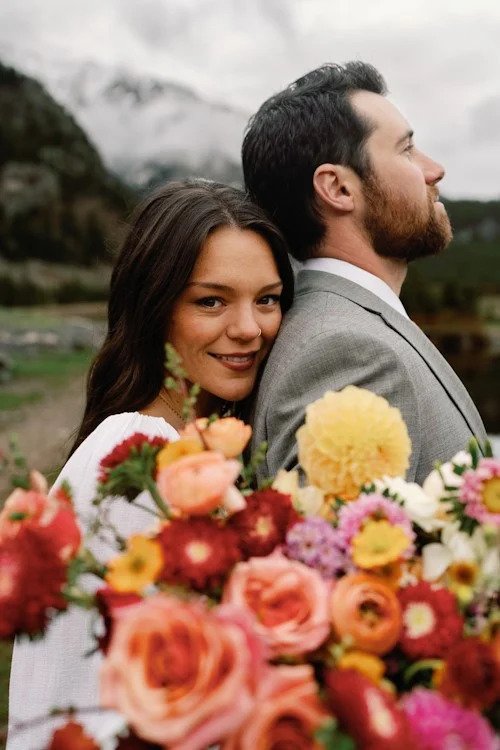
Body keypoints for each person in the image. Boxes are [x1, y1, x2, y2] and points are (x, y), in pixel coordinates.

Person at [7, 178, 294, 749]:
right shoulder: (139, 457)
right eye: (211, 301)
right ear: (155, 307)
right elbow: (96, 693)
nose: (249, 328)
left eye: (267, 298)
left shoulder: (199, 446)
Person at [242, 61, 487, 485]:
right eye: (407, 149)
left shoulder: (346, 327)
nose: (435, 169)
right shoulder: (349, 353)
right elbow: (335, 546)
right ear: (338, 188)